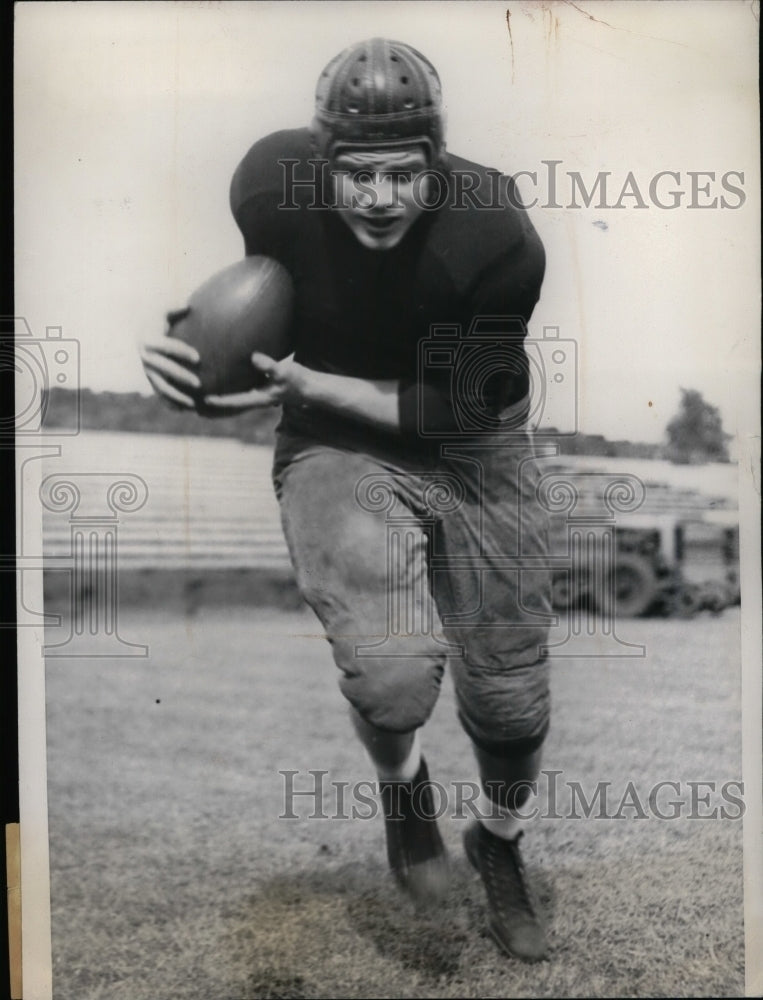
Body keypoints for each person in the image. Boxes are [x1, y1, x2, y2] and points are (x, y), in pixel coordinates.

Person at [141, 37, 553, 963]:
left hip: (470, 438)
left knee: (513, 705)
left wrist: (308, 387)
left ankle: (498, 838)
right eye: (354, 173)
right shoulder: (265, 184)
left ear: (434, 163)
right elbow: (256, 313)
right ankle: (404, 790)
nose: (375, 198)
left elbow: (454, 408)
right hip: (336, 438)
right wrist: (183, 357)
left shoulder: (495, 235)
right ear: (317, 163)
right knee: (391, 676)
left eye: (400, 174)